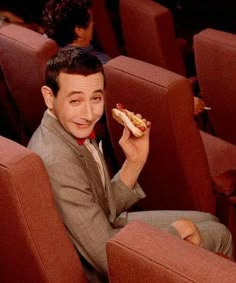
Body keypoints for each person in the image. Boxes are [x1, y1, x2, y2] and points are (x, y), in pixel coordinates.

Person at [28, 48, 233, 282]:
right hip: (99, 260)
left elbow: (103, 206)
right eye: (75, 100)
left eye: (96, 98)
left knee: (210, 221)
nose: (88, 113)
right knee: (220, 235)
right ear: (48, 96)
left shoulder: (68, 125)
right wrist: (176, 231)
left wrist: (134, 161)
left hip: (103, 226)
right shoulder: (57, 159)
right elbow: (105, 257)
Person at [42, 0, 110, 65]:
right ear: (79, 31)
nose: (93, 23)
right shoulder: (103, 63)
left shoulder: (45, 51)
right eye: (91, 20)